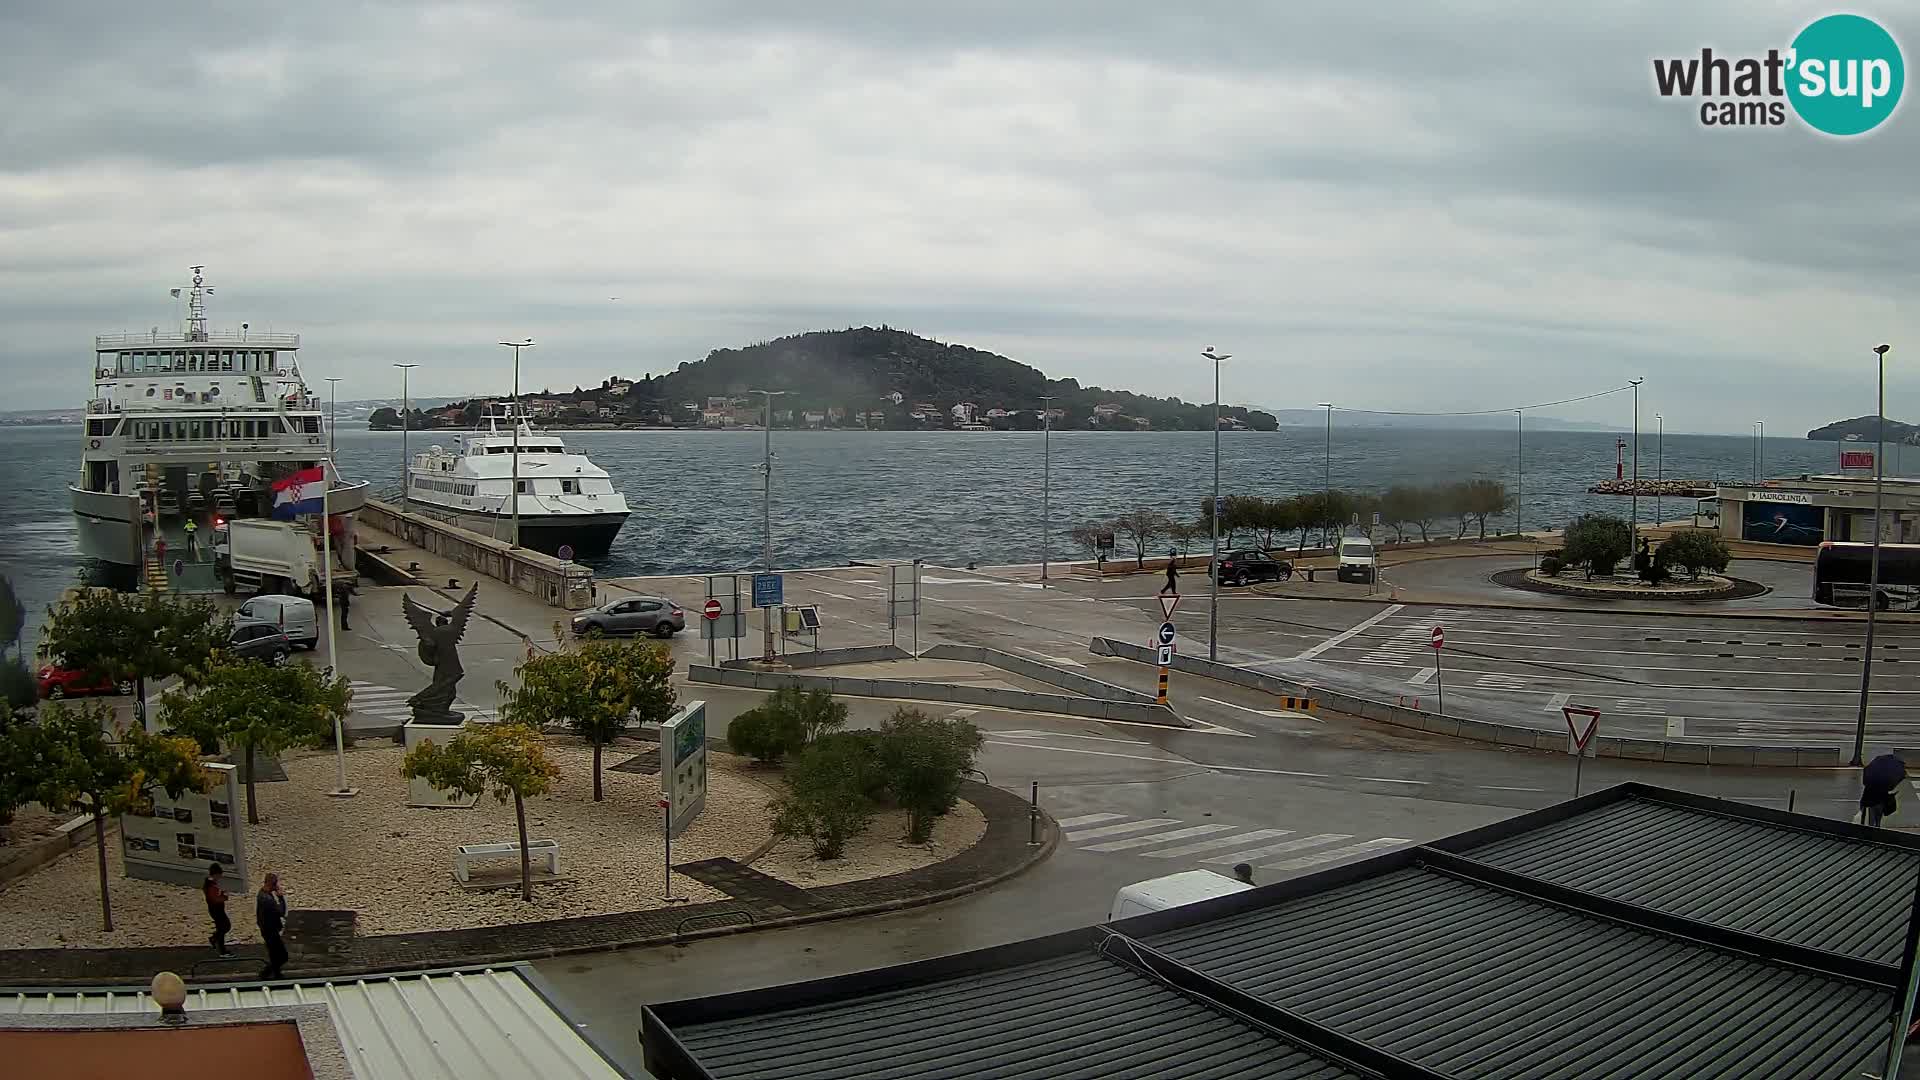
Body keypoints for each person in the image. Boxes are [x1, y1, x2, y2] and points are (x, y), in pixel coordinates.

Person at [256, 872, 289, 979]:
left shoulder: (262, 893)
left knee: (275, 955)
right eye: (276, 884)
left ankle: (276, 974)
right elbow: (281, 912)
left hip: (267, 929)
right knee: (282, 956)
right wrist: (281, 898)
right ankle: (266, 974)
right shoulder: (267, 899)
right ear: (272, 884)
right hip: (270, 931)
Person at [1862, 753, 1908, 827]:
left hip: (1870, 800)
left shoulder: (1871, 775)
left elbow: (1865, 785)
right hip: (1880, 800)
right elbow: (1890, 787)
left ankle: (1871, 831)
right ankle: (1877, 828)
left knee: (1871, 818)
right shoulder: (1886, 778)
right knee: (1878, 818)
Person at [203, 863, 231, 955]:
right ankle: (221, 949)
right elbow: (214, 899)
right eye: (219, 875)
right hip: (216, 910)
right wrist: (224, 896)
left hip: (217, 909)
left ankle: (216, 940)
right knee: (224, 927)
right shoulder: (210, 885)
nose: (220, 877)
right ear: (215, 874)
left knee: (223, 927)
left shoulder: (212, 884)